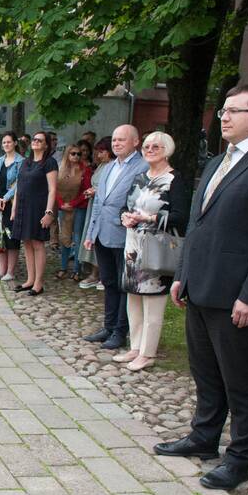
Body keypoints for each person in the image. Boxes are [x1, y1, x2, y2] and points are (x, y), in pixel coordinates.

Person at [156, 84, 248, 491]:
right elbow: (199, 225)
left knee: (241, 380)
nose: (224, 117)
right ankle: (204, 438)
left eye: (234, 111)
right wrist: (183, 273)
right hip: (202, 286)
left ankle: (239, 458)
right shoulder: (219, 161)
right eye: (222, 110)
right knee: (205, 372)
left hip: (238, 295)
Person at [112, 131, 186, 372]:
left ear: (167, 149)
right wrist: (125, 215)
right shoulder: (140, 177)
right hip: (133, 246)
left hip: (157, 249)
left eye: (156, 146)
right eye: (146, 146)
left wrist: (150, 218)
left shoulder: (175, 179)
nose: (150, 149)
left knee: (153, 304)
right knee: (132, 298)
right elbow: (126, 204)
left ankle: (148, 353)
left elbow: (181, 217)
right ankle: (135, 347)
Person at [82, 125, 147, 349]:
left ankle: (120, 331)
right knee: (108, 282)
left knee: (123, 284)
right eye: (115, 140)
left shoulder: (142, 166)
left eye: (122, 140)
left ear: (135, 142)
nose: (116, 143)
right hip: (102, 233)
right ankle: (108, 326)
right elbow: (99, 202)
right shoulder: (108, 167)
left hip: (125, 235)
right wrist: (91, 232)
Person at [10, 132, 58, 295]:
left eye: (40, 140)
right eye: (34, 139)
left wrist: (49, 212)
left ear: (46, 145)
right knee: (27, 243)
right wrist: (14, 208)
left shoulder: (49, 163)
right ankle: (30, 280)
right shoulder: (25, 162)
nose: (36, 142)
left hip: (38, 208)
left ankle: (38, 283)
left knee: (38, 244)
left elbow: (52, 190)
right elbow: (19, 186)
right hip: (23, 207)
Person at [78, 138, 116, 289]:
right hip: (93, 206)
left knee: (101, 238)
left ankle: (101, 274)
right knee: (91, 237)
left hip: (103, 208)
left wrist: (96, 191)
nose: (99, 155)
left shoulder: (113, 166)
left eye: (102, 152)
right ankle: (95, 272)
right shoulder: (102, 165)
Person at [0, 131, 24, 281]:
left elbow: (19, 183)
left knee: (11, 238)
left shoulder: (20, 162)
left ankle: (10, 271)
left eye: (9, 142)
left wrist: (5, 198)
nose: (6, 145)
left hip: (11, 203)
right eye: (4, 143)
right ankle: (1, 270)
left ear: (15, 143)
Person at [55, 145, 92, 279]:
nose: (76, 156)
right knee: (64, 237)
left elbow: (86, 191)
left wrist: (72, 204)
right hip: (63, 208)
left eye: (78, 154)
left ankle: (77, 269)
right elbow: (54, 188)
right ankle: (63, 267)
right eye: (73, 154)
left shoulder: (85, 170)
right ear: (67, 155)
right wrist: (61, 204)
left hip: (78, 207)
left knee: (77, 238)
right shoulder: (60, 168)